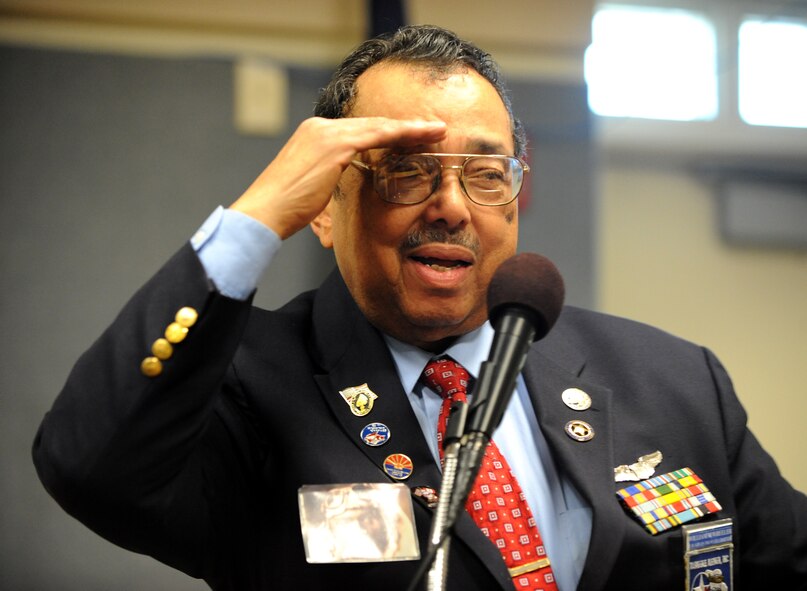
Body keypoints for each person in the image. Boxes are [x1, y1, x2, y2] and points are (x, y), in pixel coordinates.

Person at [33, 24, 807, 591]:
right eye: (405, 172)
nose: (449, 206)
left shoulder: (671, 379)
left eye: (483, 174)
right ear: (326, 206)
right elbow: (90, 465)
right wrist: (258, 212)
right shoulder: (250, 386)